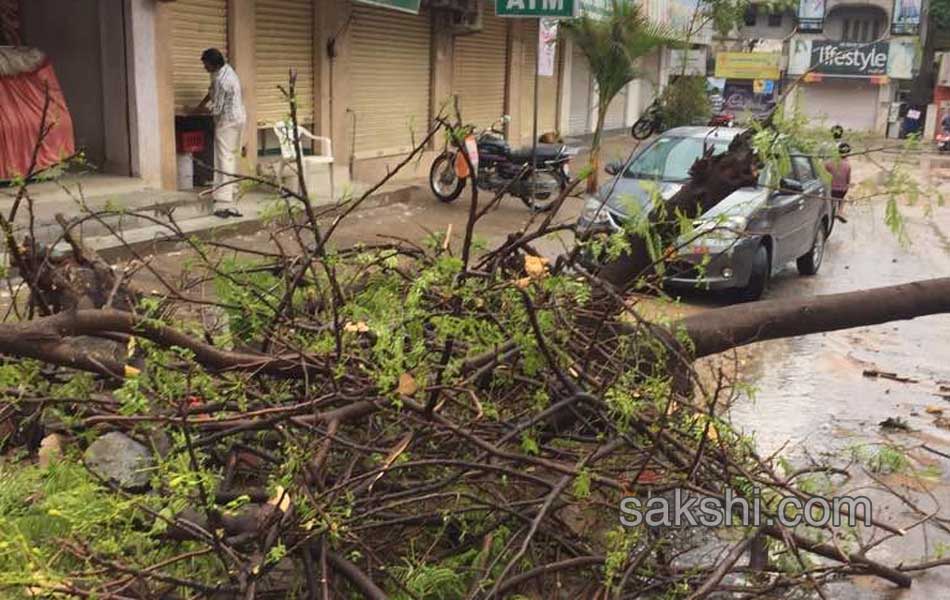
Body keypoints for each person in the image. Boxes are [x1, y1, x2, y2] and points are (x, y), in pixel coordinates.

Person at [194, 48, 246, 205]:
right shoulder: (225, 70)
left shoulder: (222, 81)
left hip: (228, 121)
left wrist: (199, 111)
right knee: (231, 154)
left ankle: (224, 193)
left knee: (224, 156)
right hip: (239, 117)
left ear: (213, 63)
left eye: (205, 64)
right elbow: (211, 92)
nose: (204, 67)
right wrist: (200, 105)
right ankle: (232, 187)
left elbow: (217, 107)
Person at [824, 141, 852, 217]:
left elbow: (823, 174)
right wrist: (847, 186)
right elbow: (848, 180)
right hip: (841, 191)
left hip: (830, 189)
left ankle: (830, 210)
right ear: (848, 153)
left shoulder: (828, 162)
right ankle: (840, 212)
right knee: (842, 199)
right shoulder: (848, 165)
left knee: (831, 198)